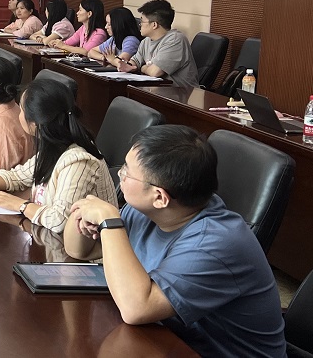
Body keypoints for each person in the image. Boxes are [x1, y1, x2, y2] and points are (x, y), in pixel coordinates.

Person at [64, 125, 284, 357]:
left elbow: (136, 309)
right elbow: (79, 251)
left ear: (160, 197)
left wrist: (109, 222)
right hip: (168, 341)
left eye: (127, 171)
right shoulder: (148, 210)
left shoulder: (214, 243)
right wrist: (82, 214)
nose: (120, 174)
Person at [0, 77, 116, 233]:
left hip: (83, 253)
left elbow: (59, 221)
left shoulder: (78, 160)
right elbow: (17, 176)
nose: (18, 115)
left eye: (21, 110)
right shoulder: (55, 145)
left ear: (34, 123)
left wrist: (20, 205)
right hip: (49, 239)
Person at [117, 0, 199, 88]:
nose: (140, 25)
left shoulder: (175, 40)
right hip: (157, 89)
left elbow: (155, 72)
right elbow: (135, 62)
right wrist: (127, 65)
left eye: (142, 21)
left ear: (154, 25)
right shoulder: (146, 41)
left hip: (181, 92)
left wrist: (142, 67)